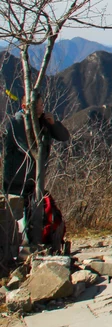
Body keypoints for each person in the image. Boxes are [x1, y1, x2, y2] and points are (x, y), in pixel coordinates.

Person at [2, 94, 70, 246]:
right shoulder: (16, 123)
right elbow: (28, 149)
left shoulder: (43, 123)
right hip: (16, 180)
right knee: (17, 220)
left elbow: (64, 136)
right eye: (37, 105)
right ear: (25, 106)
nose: (41, 108)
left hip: (35, 180)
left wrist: (53, 124)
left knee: (36, 215)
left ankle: (37, 243)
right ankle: (19, 250)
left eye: (41, 105)